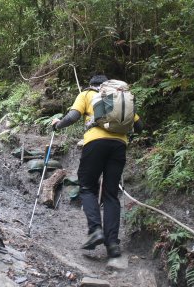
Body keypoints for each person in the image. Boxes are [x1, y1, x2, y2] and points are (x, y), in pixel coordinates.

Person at [51, 74, 143, 259]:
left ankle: (95, 231)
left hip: (95, 143)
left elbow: (73, 116)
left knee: (87, 187)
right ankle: (113, 244)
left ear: (91, 85)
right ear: (108, 85)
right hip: (119, 146)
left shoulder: (86, 95)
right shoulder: (120, 96)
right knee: (111, 194)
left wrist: (57, 125)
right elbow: (139, 125)